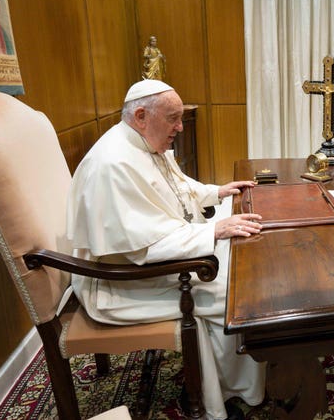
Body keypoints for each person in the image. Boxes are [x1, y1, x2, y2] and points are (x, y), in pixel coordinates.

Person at [67, 79, 265, 420]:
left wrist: (216, 192)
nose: (179, 126)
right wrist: (213, 231)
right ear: (141, 115)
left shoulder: (140, 144)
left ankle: (241, 375)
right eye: (173, 118)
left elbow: (175, 186)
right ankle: (233, 394)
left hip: (146, 262)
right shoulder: (114, 164)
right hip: (119, 283)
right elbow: (145, 247)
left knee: (243, 256)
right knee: (239, 294)